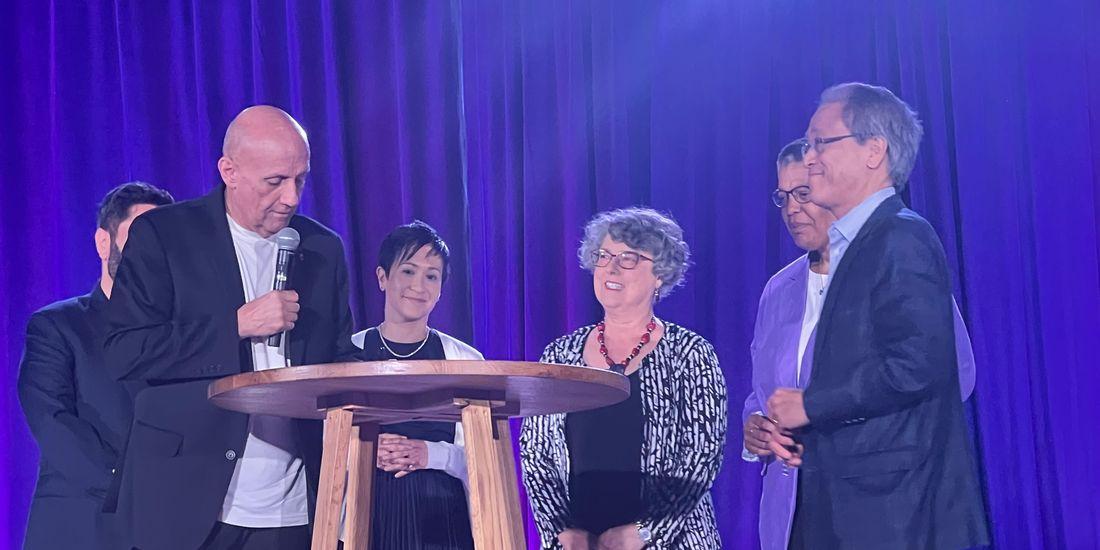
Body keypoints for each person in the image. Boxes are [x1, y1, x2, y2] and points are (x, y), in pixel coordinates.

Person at [103, 106, 359, 550]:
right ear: (230, 171)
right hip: (189, 495)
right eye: (275, 181)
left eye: (301, 179)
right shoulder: (164, 235)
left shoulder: (322, 248)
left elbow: (338, 354)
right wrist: (236, 325)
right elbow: (125, 350)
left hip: (294, 501)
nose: (292, 198)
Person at [764, 83, 989, 548]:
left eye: (821, 142)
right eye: (809, 146)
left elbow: (919, 363)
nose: (809, 157)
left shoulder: (901, 238)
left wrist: (811, 404)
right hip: (852, 508)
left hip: (896, 515)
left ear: (874, 150)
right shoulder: (854, 247)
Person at [520, 207, 727, 550]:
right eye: (604, 256)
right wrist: (561, 530)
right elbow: (536, 455)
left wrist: (646, 532)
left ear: (659, 274)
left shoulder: (691, 354)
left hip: (673, 541)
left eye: (629, 258)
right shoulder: (559, 354)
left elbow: (701, 459)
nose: (611, 268)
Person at [18, 182, 174, 549]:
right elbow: (52, 422)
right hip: (82, 528)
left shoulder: (180, 334)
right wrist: (131, 485)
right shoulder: (57, 326)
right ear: (104, 243)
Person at [347, 220, 482, 549]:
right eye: (408, 271)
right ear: (382, 277)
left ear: (440, 289)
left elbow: (486, 462)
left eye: (431, 275)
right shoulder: (348, 353)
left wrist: (430, 454)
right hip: (366, 516)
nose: (418, 285)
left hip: (442, 517)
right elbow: (323, 446)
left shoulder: (466, 361)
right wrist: (365, 452)